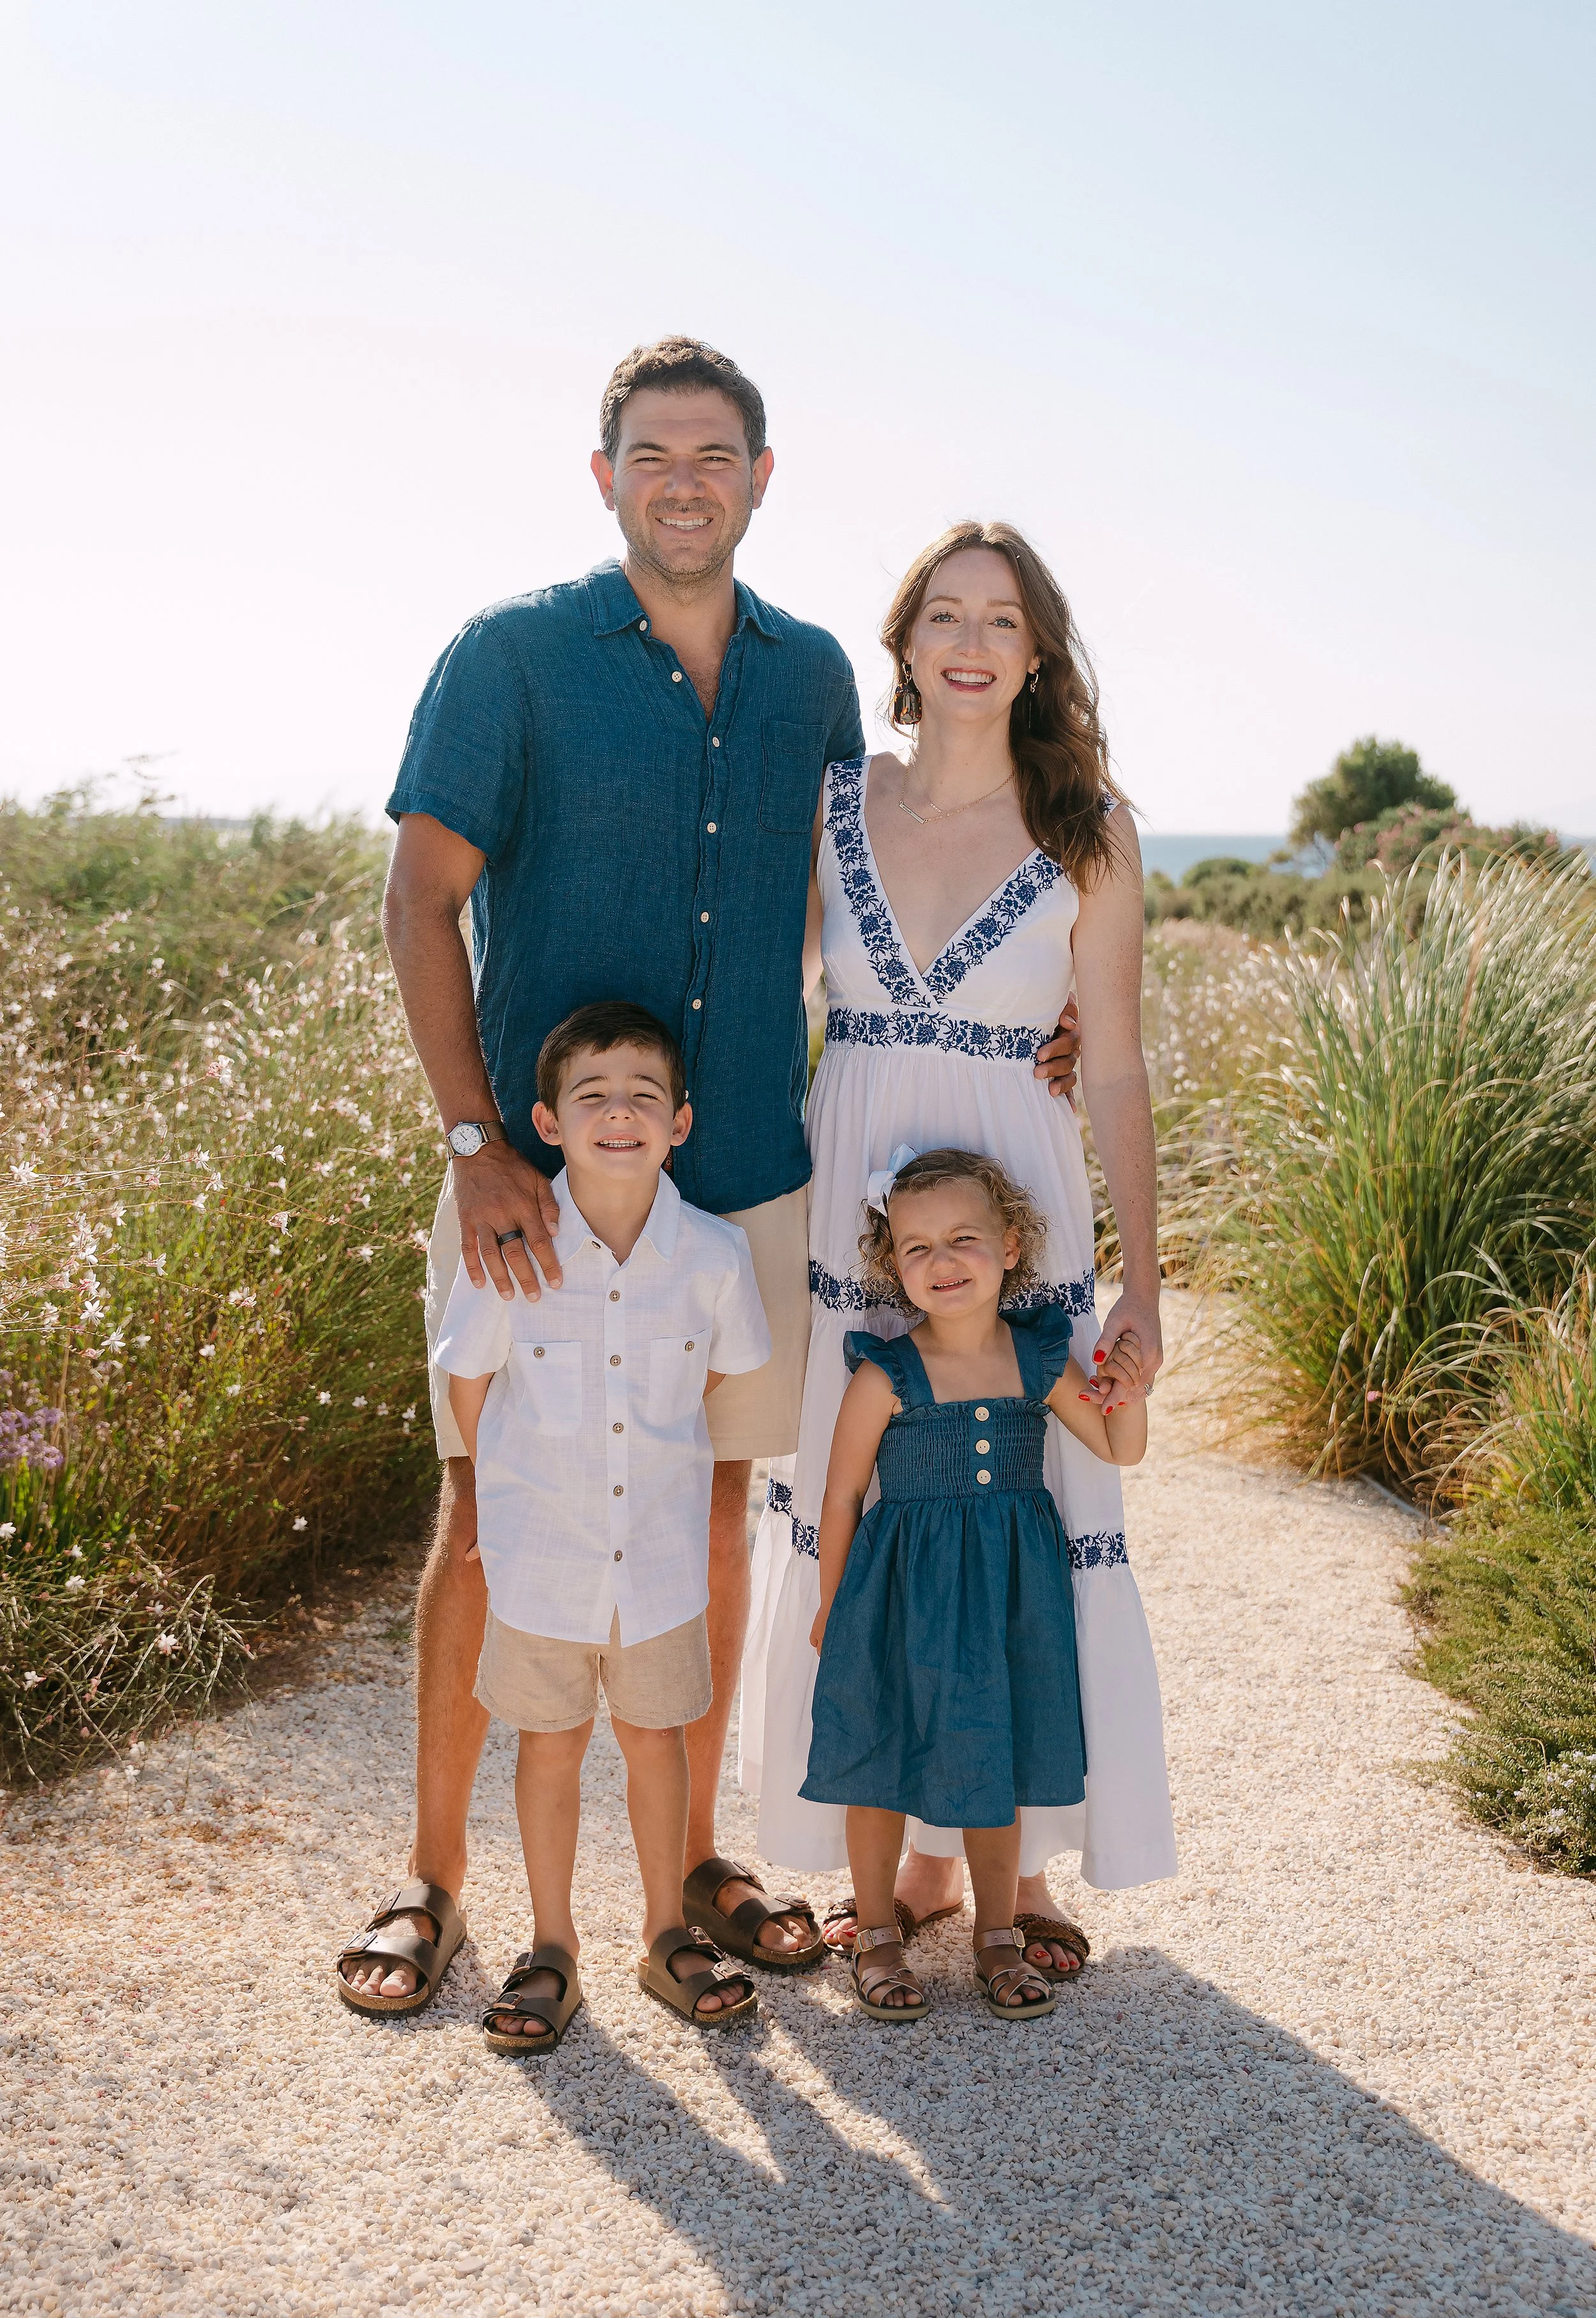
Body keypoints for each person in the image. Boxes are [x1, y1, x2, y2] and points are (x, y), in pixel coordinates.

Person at [337, 332, 1090, 2010]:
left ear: (762, 478)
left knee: (716, 1511)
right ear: (603, 476)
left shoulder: (814, 676)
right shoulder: (512, 657)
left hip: (752, 1163)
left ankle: (689, 1874)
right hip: (531, 1182)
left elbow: (885, 881)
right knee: (479, 1514)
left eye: (716, 453)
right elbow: (418, 896)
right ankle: (434, 1876)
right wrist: (472, 1140)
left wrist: (1031, 1020)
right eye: (652, 453)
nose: (685, 479)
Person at [741, 520, 1178, 1975]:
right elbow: (755, 988)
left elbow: (1108, 1062)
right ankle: (904, 1862)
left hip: (1017, 1199)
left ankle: (1023, 1861)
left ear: (1036, 650)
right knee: (867, 1495)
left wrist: (1142, 1278)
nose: (972, 641)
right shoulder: (833, 800)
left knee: (1028, 1508)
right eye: (945, 614)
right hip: (853, 1186)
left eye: (1002, 619)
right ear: (906, 643)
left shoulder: (1089, 828)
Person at [430, 1003, 774, 2047]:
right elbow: (471, 1377)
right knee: (550, 1744)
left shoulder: (711, 1254)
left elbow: (715, 1373)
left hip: (659, 1563)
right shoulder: (509, 1249)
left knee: (655, 1740)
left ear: (680, 1122)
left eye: (643, 1095)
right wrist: (505, 1495)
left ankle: (667, 1931)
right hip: (544, 1562)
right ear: (547, 1118)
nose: (618, 1112)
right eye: (593, 1095)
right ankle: (551, 1946)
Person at [804, 1148, 1147, 2022]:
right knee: (879, 1758)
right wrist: (833, 1605)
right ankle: (878, 1929)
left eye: (962, 1238)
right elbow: (841, 1494)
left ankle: (997, 1932)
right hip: (896, 1599)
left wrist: (1130, 1389)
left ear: (1011, 1243)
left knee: (998, 1754)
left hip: (1007, 1599)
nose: (941, 1262)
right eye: (915, 1248)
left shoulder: (1036, 1360)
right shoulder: (884, 1372)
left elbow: (1117, 1447)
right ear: (892, 1265)